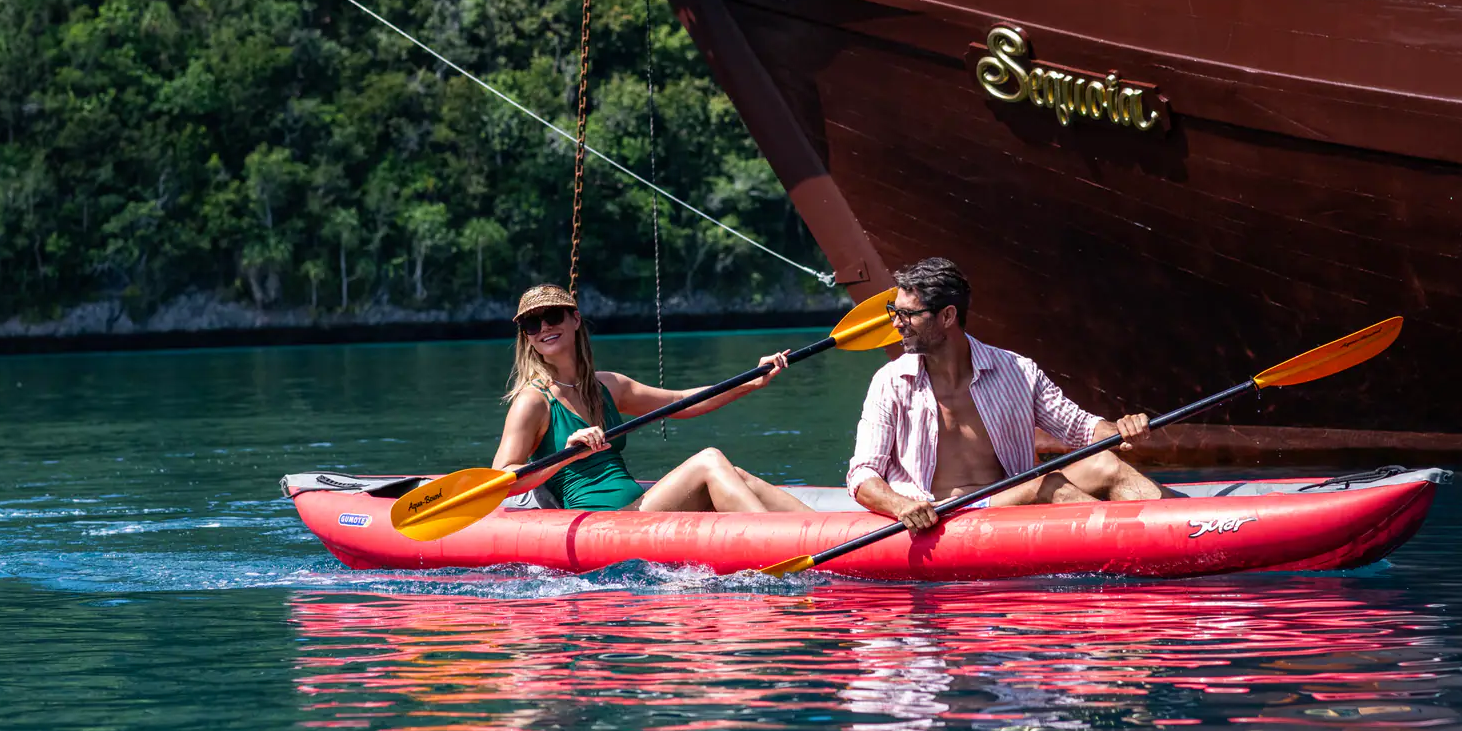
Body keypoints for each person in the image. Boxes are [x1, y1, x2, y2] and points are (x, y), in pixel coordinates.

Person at [848, 257, 1174, 531]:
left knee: (1106, 464)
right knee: (1045, 485)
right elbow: (863, 474)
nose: (896, 324)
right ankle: (1135, 544)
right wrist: (901, 506)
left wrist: (1122, 429)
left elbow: (1083, 429)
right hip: (942, 515)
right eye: (895, 311)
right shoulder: (890, 382)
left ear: (947, 316)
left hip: (1010, 498)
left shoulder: (1017, 370)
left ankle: (1192, 522)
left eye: (907, 314)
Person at [493, 284, 813, 513]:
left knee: (737, 475)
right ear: (527, 338)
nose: (544, 328)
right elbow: (502, 480)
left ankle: (817, 530)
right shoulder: (532, 401)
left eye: (551, 316)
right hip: (602, 524)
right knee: (710, 460)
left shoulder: (609, 385)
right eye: (531, 324)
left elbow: (682, 402)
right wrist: (566, 455)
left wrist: (751, 381)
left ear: (575, 319)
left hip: (637, 508)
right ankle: (773, 545)